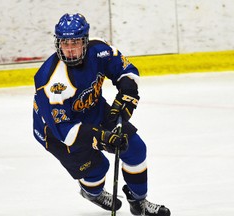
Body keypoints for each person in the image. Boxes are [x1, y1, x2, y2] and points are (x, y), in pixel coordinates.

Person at [33, 13, 171, 216]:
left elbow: (126, 70)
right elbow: (65, 132)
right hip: (56, 131)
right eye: (65, 43)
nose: (70, 50)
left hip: (92, 110)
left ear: (85, 42)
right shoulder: (52, 81)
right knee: (98, 168)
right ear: (57, 43)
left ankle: (138, 200)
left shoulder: (99, 50)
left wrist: (127, 94)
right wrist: (101, 137)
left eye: (75, 43)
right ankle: (92, 193)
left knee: (136, 149)